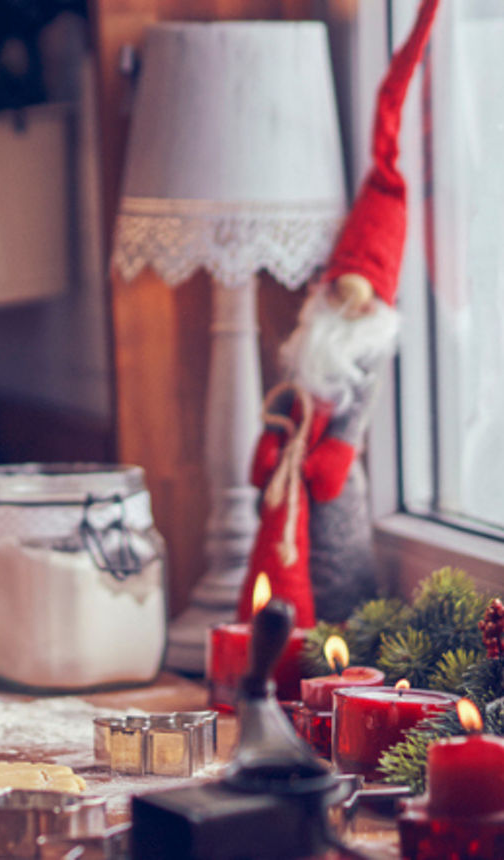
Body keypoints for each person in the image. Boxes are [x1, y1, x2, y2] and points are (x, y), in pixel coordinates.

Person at [237, 0, 440, 624]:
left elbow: (350, 425)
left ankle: (342, 635)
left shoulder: (369, 348)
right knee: (279, 570)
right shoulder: (309, 345)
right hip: (295, 475)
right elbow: (293, 401)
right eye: (336, 291)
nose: (340, 304)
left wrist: (326, 456)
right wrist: (278, 441)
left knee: (336, 571)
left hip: (332, 483)